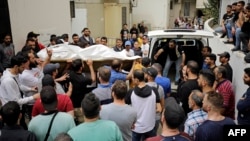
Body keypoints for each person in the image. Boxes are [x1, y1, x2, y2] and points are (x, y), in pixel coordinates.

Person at [126, 70, 162, 141]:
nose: (132, 80)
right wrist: (149, 110)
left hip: (136, 127)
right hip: (150, 126)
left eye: (133, 78)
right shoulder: (154, 90)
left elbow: (125, 108)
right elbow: (159, 109)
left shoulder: (131, 92)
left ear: (136, 80)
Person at [68, 59, 96, 124]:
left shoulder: (70, 74)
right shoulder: (83, 79)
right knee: (81, 121)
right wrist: (90, 66)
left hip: (72, 103)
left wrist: (68, 64)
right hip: (79, 106)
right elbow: (93, 79)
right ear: (81, 68)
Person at [144, 67, 165, 136]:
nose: (145, 75)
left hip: (145, 116)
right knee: (153, 136)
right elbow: (162, 104)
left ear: (149, 77)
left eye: (146, 74)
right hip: (156, 117)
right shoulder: (160, 88)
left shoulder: (142, 87)